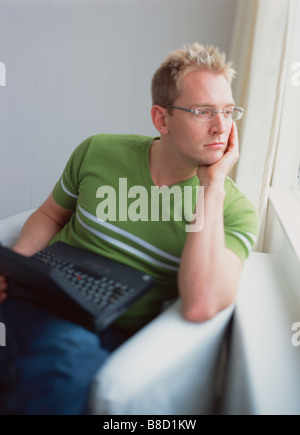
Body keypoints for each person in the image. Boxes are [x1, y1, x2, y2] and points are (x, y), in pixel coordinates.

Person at [0, 42, 259, 414]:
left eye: (228, 111)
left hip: (110, 329)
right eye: (203, 112)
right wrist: (14, 265)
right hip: (41, 298)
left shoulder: (234, 210)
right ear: (162, 119)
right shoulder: (98, 151)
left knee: (65, 363)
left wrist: (212, 186)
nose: (222, 127)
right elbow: (51, 215)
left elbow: (202, 303)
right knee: (59, 361)